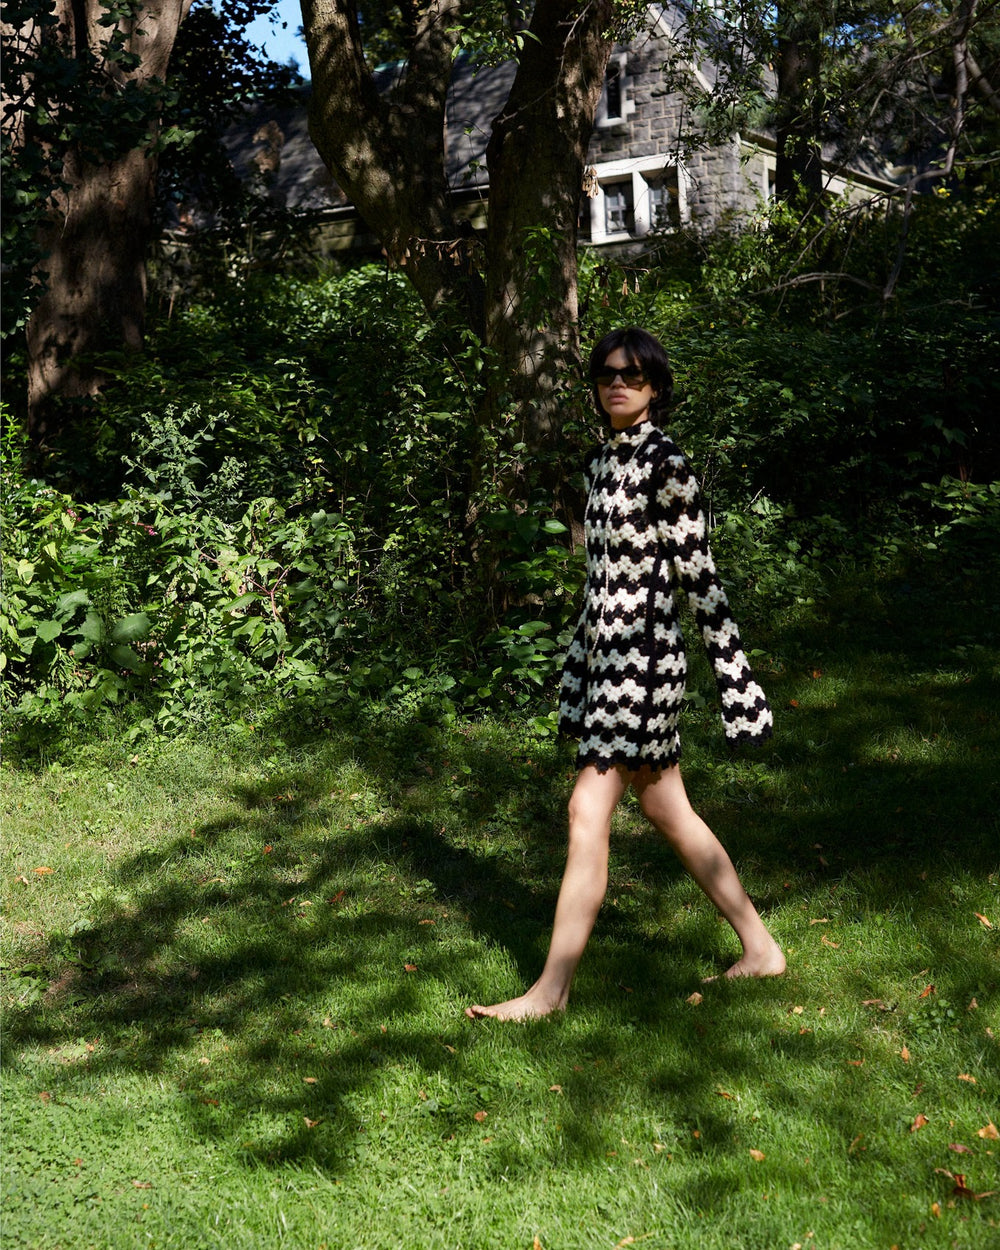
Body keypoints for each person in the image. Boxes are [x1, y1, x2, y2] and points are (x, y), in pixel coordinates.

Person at [466, 327, 785, 1022]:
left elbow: (700, 577)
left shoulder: (666, 464)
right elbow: (601, 581)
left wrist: (736, 681)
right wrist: (582, 656)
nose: (620, 383)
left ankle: (549, 992)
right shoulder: (601, 463)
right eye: (610, 373)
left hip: (644, 665)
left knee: (587, 809)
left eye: (635, 376)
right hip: (607, 660)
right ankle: (760, 947)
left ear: (656, 389)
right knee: (666, 807)